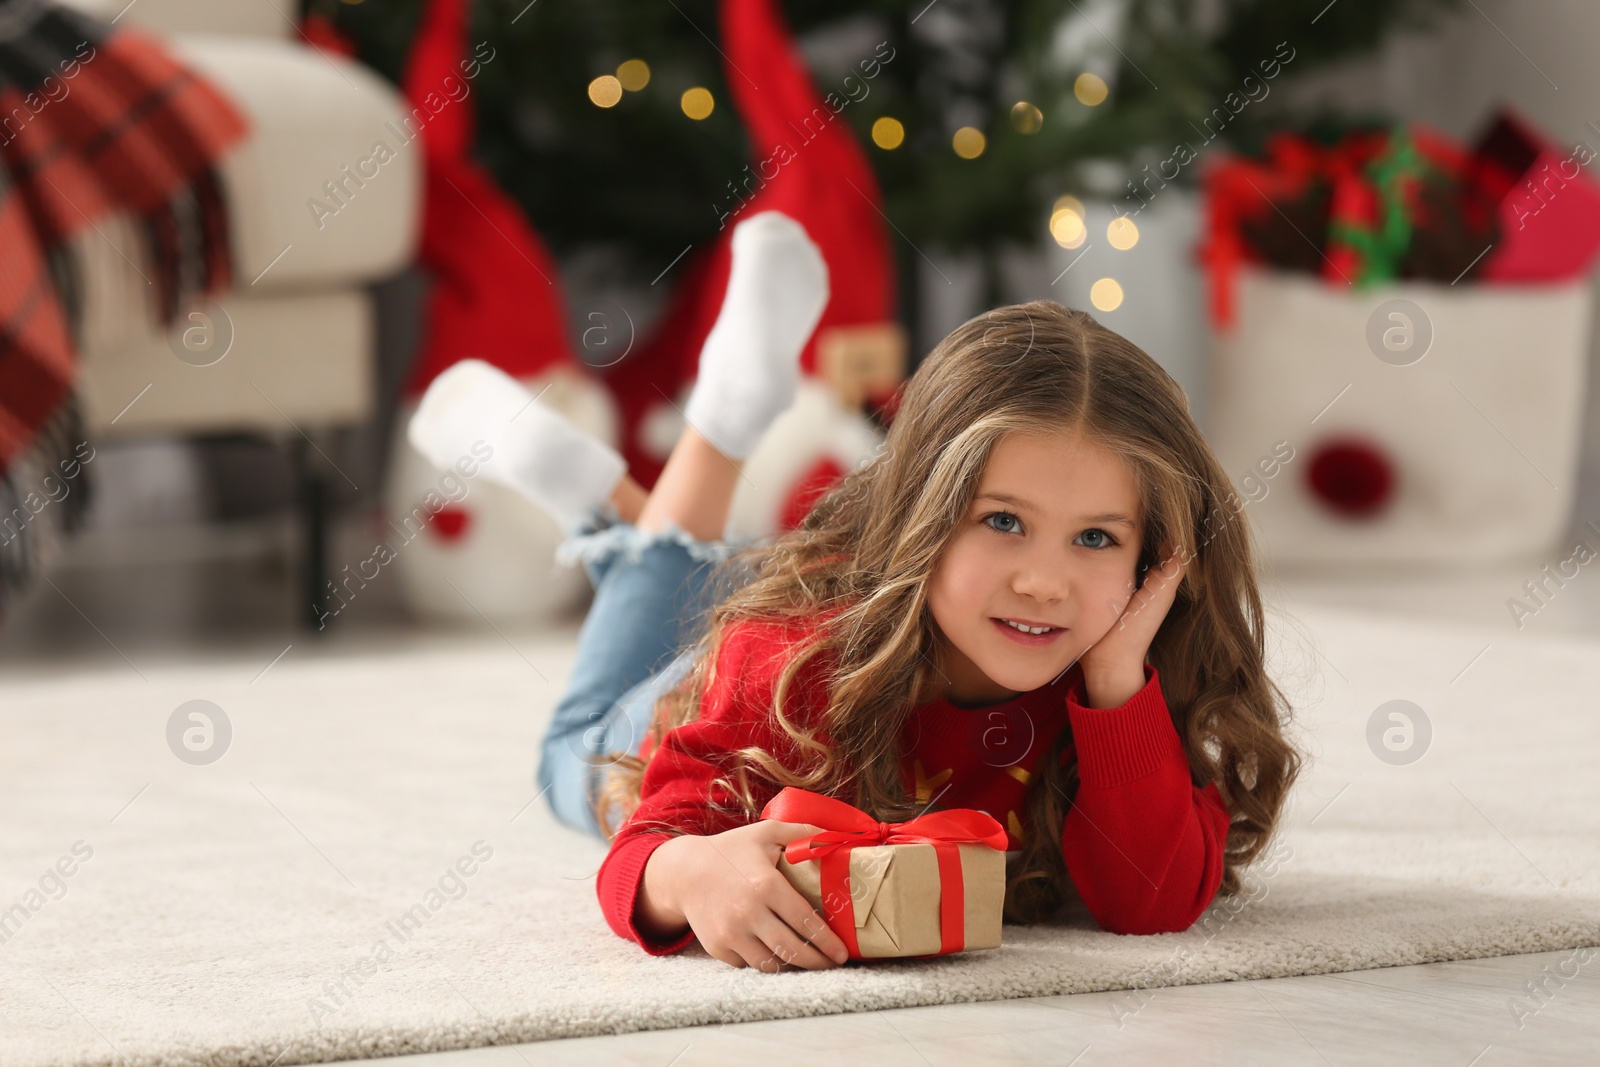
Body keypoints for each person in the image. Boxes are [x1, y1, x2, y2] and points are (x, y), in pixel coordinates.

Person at [408, 210, 1304, 975]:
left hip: (790, 618)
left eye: (1097, 538)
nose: (1045, 579)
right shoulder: (788, 662)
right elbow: (650, 839)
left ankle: (643, 475)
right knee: (569, 754)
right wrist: (689, 873)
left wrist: (1116, 681)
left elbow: (1152, 902)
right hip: (671, 712)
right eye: (1002, 521)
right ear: (921, 512)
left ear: (1159, 558)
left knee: (691, 572)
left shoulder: (1124, 673)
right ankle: (694, 444)